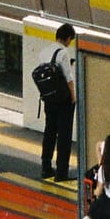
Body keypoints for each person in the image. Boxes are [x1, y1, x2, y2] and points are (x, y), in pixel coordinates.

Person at [37, 23, 78, 181]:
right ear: (67, 38)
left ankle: (46, 167)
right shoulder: (63, 53)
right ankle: (62, 172)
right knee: (64, 136)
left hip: (49, 98)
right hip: (63, 100)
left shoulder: (44, 52)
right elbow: (68, 78)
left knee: (50, 132)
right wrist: (73, 97)